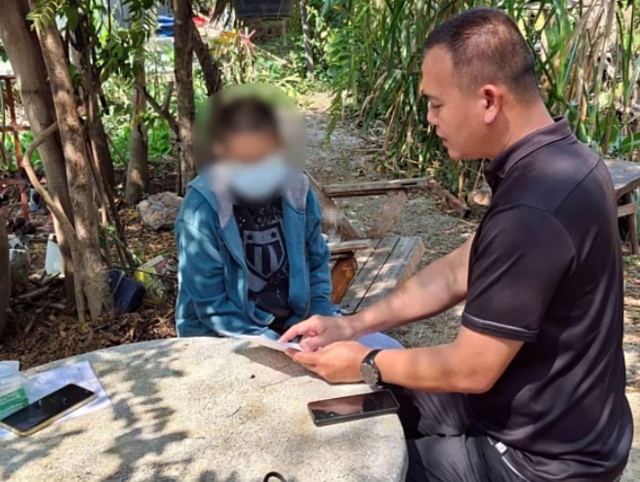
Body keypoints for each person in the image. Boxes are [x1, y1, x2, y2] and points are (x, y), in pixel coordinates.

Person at [279, 8, 633, 482]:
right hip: (530, 413)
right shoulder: (565, 161)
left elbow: (471, 369)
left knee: (351, 467)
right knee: (351, 408)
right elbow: (455, 272)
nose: (430, 119)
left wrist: (364, 361)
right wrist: (351, 326)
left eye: (437, 104)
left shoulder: (533, 209)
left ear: (488, 100)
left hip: (540, 460)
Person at [175, 91, 401, 350]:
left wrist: (319, 323)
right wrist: (281, 346)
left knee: (389, 351)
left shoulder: (297, 190)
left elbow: (316, 263)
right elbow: (213, 308)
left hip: (295, 326)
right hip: (224, 336)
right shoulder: (201, 209)